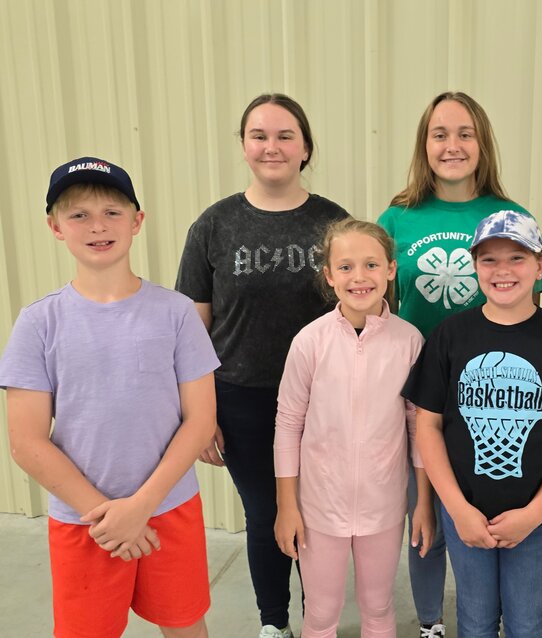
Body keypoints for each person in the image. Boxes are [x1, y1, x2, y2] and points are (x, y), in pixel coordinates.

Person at [0, 157, 220, 638]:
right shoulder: (38, 324)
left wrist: (141, 506)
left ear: (137, 221)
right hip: (85, 520)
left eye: (112, 212)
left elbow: (200, 421)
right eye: (78, 214)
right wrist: (106, 515)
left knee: (184, 622)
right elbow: (27, 442)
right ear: (55, 226)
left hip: (169, 508)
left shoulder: (177, 314)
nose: (97, 226)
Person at [377, 91, 542, 637]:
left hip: (498, 393)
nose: (451, 145)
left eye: (464, 134)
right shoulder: (397, 216)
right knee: (425, 514)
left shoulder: (511, 217)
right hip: (423, 395)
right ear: (423, 144)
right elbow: (378, 305)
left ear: (482, 143)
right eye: (439, 134)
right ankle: (431, 621)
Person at [176, 94, 349, 638]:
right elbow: (191, 331)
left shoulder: (331, 221)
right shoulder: (215, 225)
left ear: (305, 148)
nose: (271, 147)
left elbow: (356, 312)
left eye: (284, 135)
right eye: (259, 135)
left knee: (315, 515)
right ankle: (274, 623)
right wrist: (197, 416)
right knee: (266, 515)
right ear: (245, 146)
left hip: (322, 398)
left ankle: (317, 621)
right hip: (242, 399)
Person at [404, 211, 542, 637]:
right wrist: (456, 510)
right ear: (474, 266)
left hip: (537, 520)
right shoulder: (450, 336)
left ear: (540, 266)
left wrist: (535, 513)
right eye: (489, 260)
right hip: (464, 513)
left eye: (517, 257)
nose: (503, 271)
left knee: (527, 624)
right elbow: (429, 427)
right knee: (474, 622)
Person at [273, 218, 432, 637]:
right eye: (345, 267)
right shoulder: (309, 342)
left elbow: (419, 427)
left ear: (391, 270)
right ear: (328, 275)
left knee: (378, 608)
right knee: (322, 612)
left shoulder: (410, 341)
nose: (359, 277)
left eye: (371, 265)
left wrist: (423, 502)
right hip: (318, 508)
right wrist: (287, 505)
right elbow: (288, 423)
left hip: (383, 507)